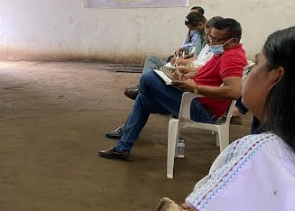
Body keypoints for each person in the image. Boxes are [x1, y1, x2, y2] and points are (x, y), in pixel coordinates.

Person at [81, 24, 295, 211]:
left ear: (275, 77)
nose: (249, 71)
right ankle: (126, 139)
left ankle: (126, 138)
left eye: (257, 64)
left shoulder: (265, 157)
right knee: (147, 91)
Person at [101, 18, 248, 160]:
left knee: (148, 79)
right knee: (143, 99)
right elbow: (205, 72)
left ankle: (143, 90)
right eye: (210, 37)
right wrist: (185, 75)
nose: (211, 42)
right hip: (192, 100)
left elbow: (233, 92)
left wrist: (195, 88)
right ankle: (122, 149)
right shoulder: (221, 53)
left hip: (200, 108)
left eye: (216, 40)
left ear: (233, 41)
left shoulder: (232, 57)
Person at [124, 12, 207, 100]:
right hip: (189, 64)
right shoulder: (201, 36)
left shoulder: (209, 40)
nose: (208, 38)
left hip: (190, 68)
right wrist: (185, 58)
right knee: (153, 62)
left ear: (200, 24)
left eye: (193, 29)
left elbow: (201, 64)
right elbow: (198, 56)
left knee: (157, 71)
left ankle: (142, 89)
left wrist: (183, 65)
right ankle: (143, 87)